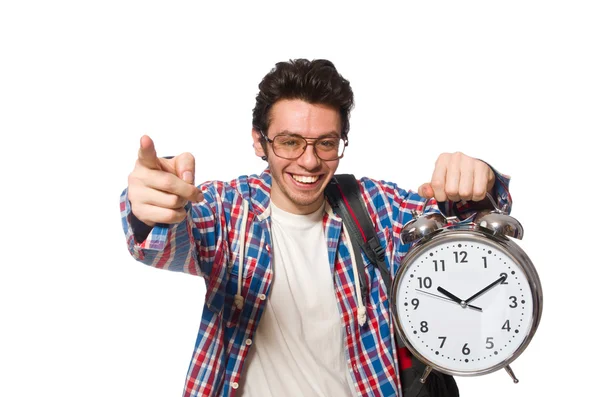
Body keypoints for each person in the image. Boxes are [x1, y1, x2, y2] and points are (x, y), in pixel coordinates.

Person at [120, 58, 511, 397]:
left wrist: (478, 183)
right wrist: (151, 208)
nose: (309, 162)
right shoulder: (226, 209)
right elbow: (165, 242)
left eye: (326, 143)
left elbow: (462, 233)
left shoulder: (373, 206)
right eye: (290, 142)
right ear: (259, 141)